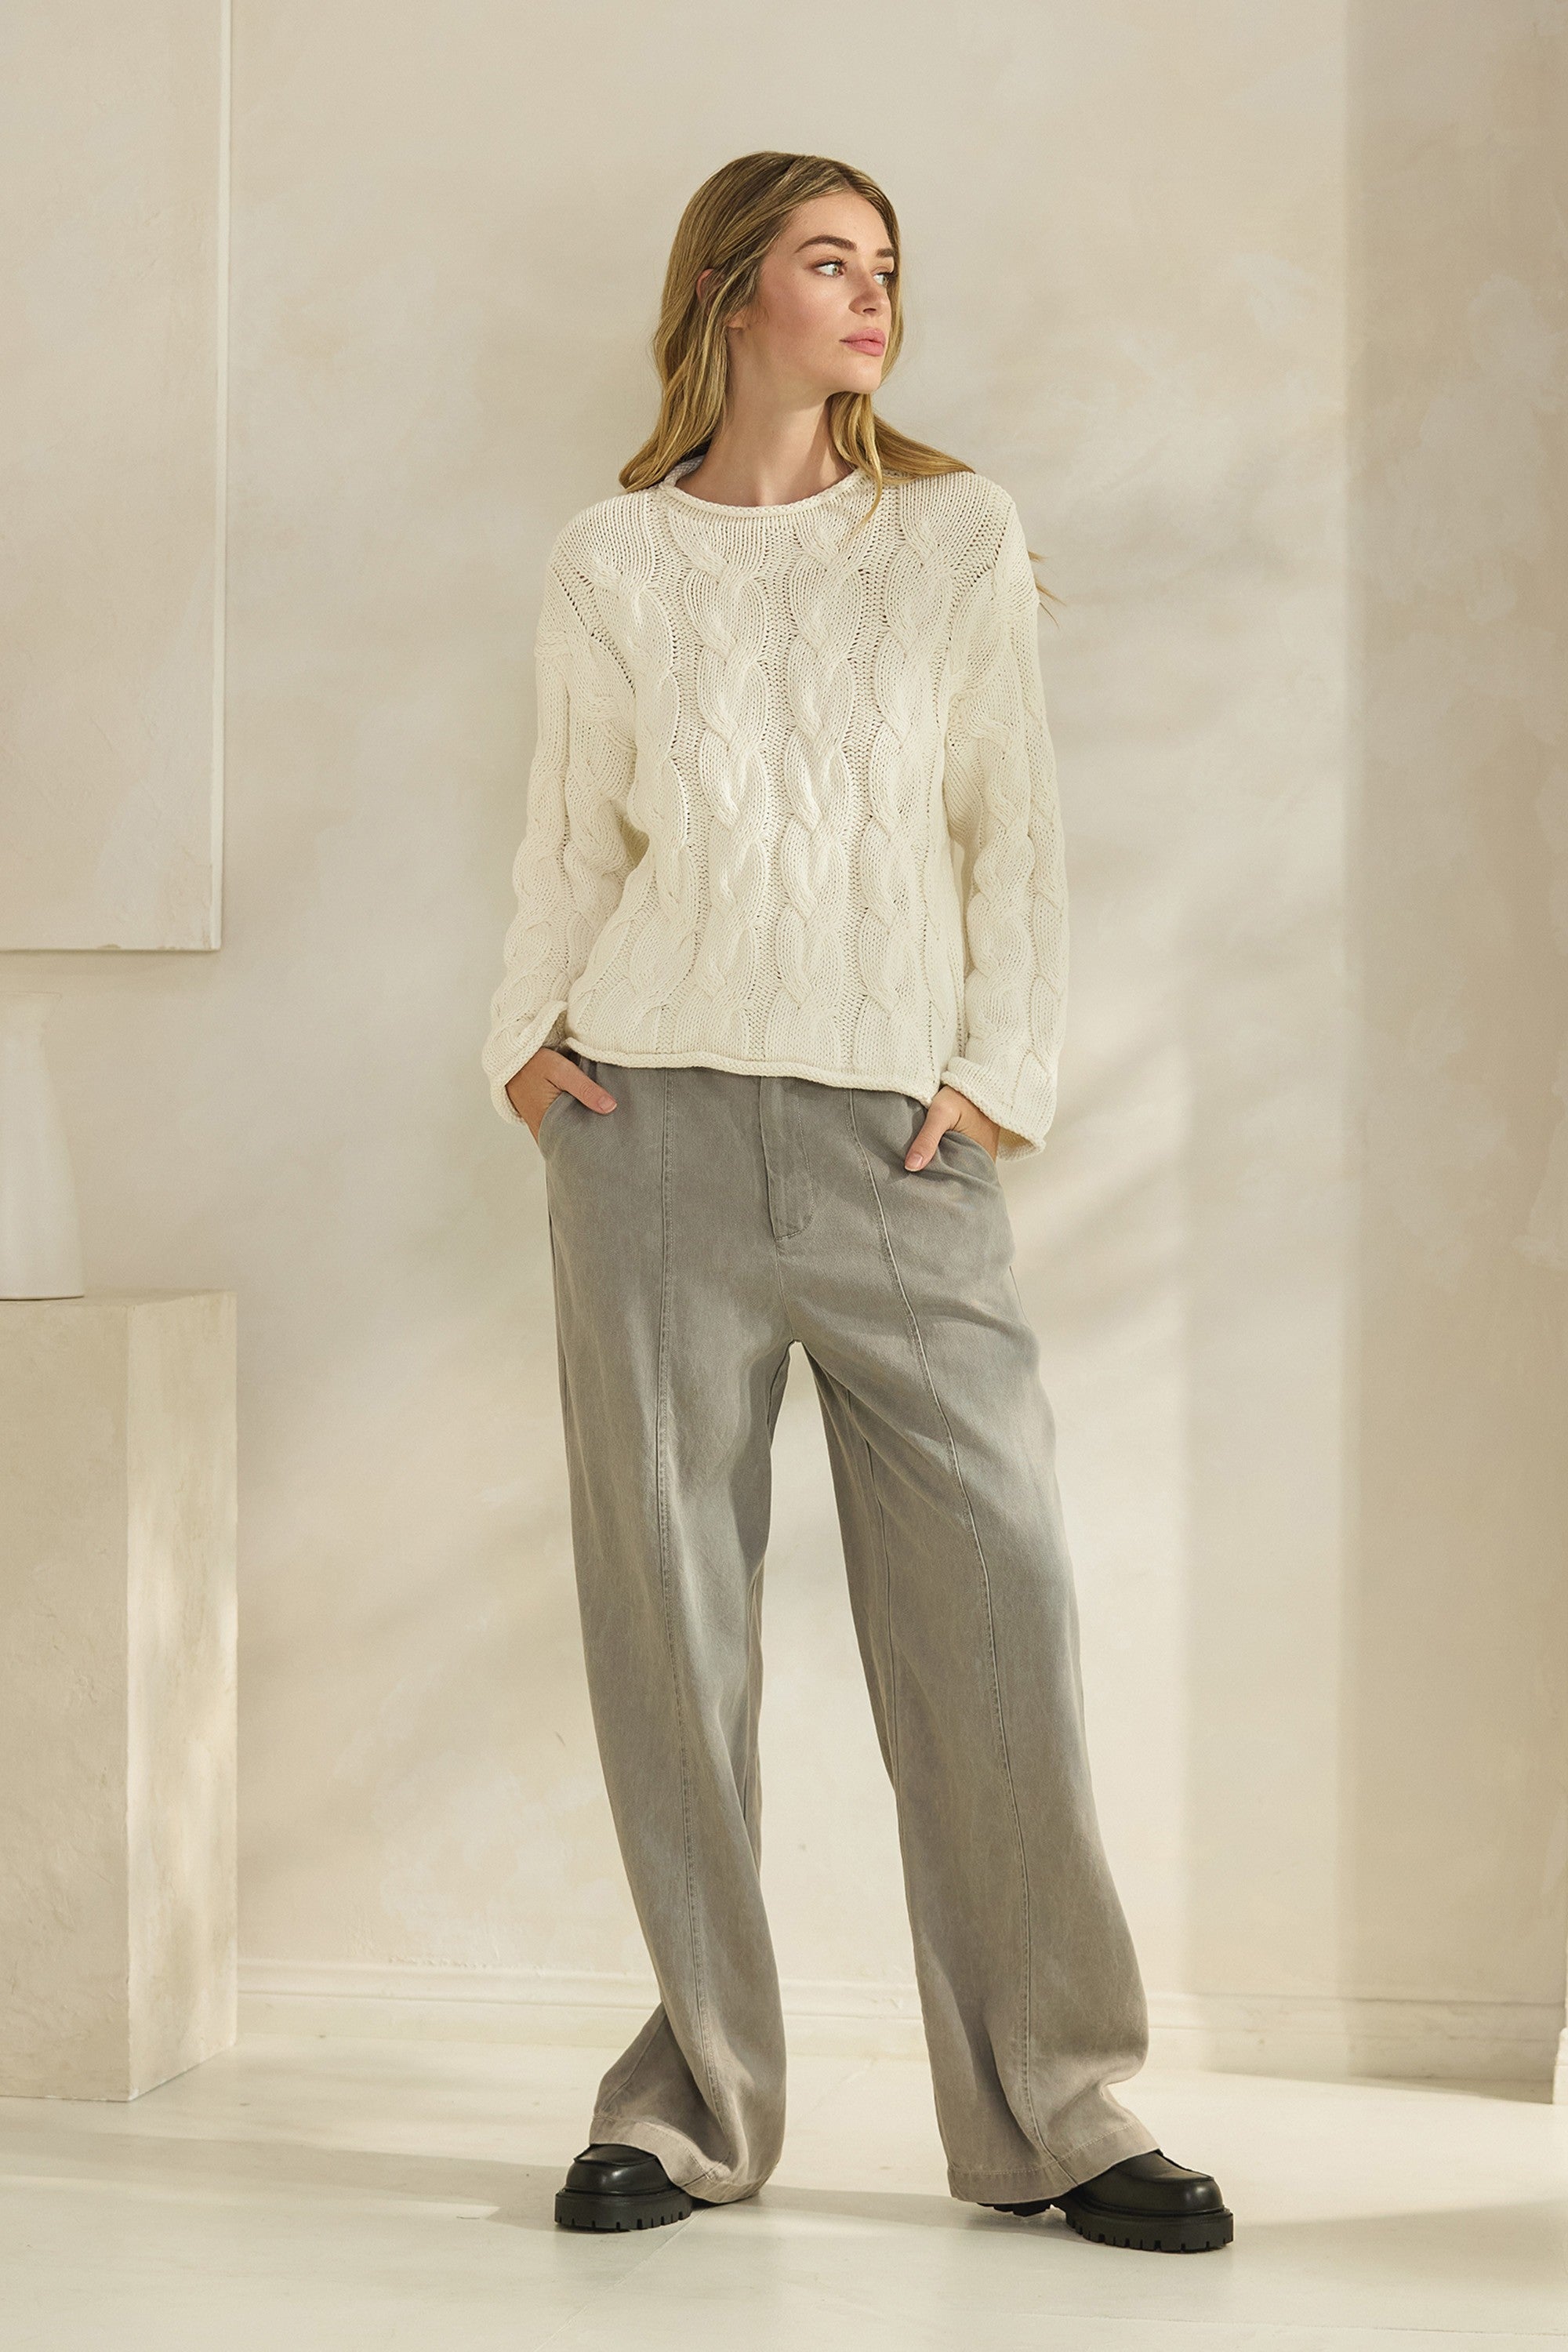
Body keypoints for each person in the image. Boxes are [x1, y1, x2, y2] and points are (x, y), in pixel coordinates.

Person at [481, 150, 1232, 2257]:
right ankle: (691, 2106)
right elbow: (570, 833)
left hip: (901, 1147)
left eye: (886, 264)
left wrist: (997, 1078)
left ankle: (1059, 2109)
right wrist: (527, 1041)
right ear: (735, 294)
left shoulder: (954, 536)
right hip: (646, 1129)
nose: (873, 293)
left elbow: (1015, 831)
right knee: (671, 1630)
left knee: (1000, 1600)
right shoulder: (613, 557)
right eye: (830, 261)